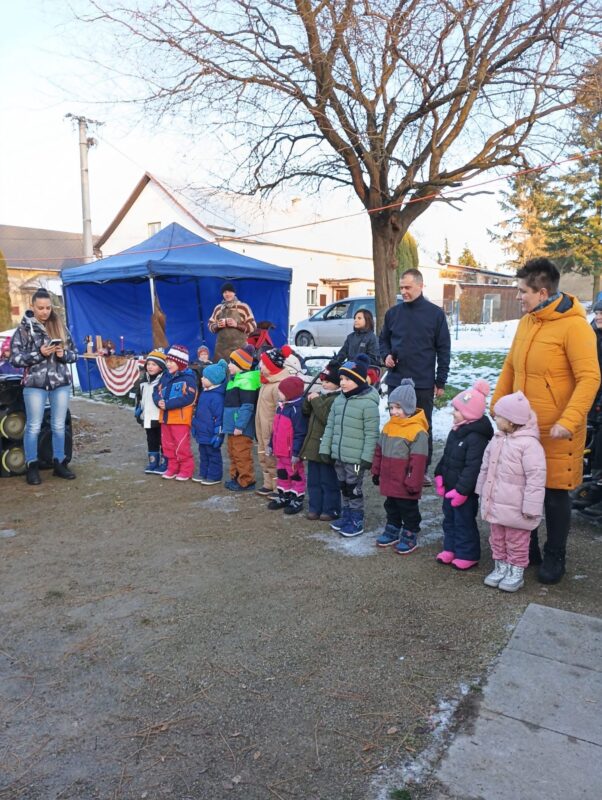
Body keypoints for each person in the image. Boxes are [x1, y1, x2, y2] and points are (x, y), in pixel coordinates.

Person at [491, 258, 600, 584]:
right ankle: (528, 548)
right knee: (523, 490)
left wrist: (569, 420)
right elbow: (511, 367)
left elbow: (590, 378)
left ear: (542, 292)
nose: (518, 297)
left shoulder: (575, 327)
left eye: (522, 291)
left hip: (557, 431)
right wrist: (498, 405)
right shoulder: (527, 322)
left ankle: (555, 554)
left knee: (553, 494)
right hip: (522, 428)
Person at [379, 268, 451, 478]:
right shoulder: (393, 314)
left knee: (421, 427)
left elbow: (443, 349)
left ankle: (421, 470)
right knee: (397, 424)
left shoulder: (435, 314)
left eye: (408, 287)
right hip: (396, 380)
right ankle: (396, 465)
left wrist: (440, 380)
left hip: (422, 382)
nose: (404, 292)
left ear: (420, 285)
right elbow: (383, 340)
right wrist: (386, 356)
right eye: (401, 287)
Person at [476, 391, 546, 593]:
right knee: (497, 538)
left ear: (511, 420)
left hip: (517, 507)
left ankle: (516, 572)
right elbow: (486, 467)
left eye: (498, 416)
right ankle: (501, 567)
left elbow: (536, 478)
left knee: (517, 541)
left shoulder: (529, 445)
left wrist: (532, 507)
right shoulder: (497, 439)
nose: (494, 418)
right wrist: (481, 490)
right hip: (496, 502)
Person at [10, 288, 78, 485]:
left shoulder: (60, 327)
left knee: (59, 425)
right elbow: (15, 359)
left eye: (48, 307)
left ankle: (60, 463)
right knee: (33, 426)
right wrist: (39, 354)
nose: (45, 311)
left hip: (60, 383)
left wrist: (63, 354)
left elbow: (74, 354)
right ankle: (32, 466)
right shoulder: (23, 330)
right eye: (41, 308)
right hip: (35, 384)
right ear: (32, 307)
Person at [434, 379, 493, 570]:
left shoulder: (476, 438)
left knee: (464, 521)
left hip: (464, 492)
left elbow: (473, 468)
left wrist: (462, 491)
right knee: (449, 519)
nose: (453, 413)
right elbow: (447, 456)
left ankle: (467, 553)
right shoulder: (456, 431)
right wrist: (439, 474)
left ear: (469, 413)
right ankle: (451, 548)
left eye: (457, 410)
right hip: (450, 487)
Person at [319, 354, 380, 537]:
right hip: (339, 455)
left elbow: (372, 434)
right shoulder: (339, 400)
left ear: (359, 380)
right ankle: (346, 515)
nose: (343, 383)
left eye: (347, 379)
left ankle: (356, 519)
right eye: (341, 379)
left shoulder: (368, 404)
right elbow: (330, 426)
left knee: (354, 488)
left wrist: (367, 457)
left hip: (356, 459)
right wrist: (325, 448)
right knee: (343, 486)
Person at [372, 378, 429, 554]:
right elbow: (379, 450)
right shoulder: (388, 427)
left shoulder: (417, 431)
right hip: (390, 479)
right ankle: (393, 527)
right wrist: (376, 471)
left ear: (409, 407)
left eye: (398, 407)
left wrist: (413, 481)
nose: (393, 411)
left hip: (405, 481)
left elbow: (418, 461)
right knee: (391, 505)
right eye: (391, 407)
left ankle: (410, 532)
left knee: (408, 508)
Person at [300, 361, 342, 522]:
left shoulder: (337, 399)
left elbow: (325, 417)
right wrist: (308, 399)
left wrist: (316, 400)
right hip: (313, 446)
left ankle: (330, 509)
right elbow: (306, 411)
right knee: (314, 481)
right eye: (323, 381)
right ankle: (314, 507)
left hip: (326, 447)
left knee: (328, 480)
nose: (324, 384)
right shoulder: (321, 395)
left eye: (328, 382)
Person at [153, 345, 198, 481]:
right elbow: (156, 391)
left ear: (181, 363)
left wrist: (168, 404)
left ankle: (186, 469)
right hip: (165, 418)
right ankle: (172, 467)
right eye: (167, 361)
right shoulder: (165, 377)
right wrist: (158, 401)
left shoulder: (188, 378)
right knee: (167, 445)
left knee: (181, 445)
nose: (168, 364)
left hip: (180, 419)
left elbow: (189, 397)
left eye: (171, 362)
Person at [255, 346, 295, 497]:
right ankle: (268, 483)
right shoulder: (266, 382)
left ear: (272, 366)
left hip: (272, 428)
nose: (260, 366)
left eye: (264, 364)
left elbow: (281, 410)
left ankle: (279, 487)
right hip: (262, 426)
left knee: (273, 457)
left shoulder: (279, 385)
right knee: (263, 454)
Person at [266, 375, 308, 515]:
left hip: (291, 453)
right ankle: (284, 495)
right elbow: (275, 430)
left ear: (290, 393)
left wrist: (296, 452)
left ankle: (297, 498)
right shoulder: (281, 407)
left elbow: (300, 433)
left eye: (281, 392)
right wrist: (271, 445)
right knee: (282, 474)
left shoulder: (297, 410)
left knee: (296, 475)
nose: (278, 394)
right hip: (280, 451)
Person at [222, 346, 261, 492]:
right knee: (233, 453)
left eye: (232, 362)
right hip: (232, 427)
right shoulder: (234, 380)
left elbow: (247, 406)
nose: (229, 365)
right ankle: (236, 477)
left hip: (240, 428)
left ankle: (246, 481)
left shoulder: (247, 381)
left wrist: (240, 426)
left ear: (241, 365)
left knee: (242, 454)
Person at [191, 359, 228, 485]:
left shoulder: (217, 397)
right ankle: (204, 473)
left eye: (205, 377)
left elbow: (219, 417)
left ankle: (214, 475)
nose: (202, 379)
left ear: (214, 380)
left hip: (211, 433)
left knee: (213, 455)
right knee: (203, 454)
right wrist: (195, 425)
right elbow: (199, 412)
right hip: (202, 431)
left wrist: (218, 434)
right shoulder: (205, 393)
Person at [133, 349, 167, 474]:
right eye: (148, 364)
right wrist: (138, 409)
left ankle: (165, 462)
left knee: (163, 440)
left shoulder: (164, 381)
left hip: (160, 416)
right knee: (151, 440)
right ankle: (153, 461)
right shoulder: (143, 381)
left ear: (161, 367)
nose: (150, 367)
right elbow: (139, 397)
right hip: (147, 416)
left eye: (154, 364)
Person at [208, 282, 257, 362]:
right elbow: (210, 324)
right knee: (221, 370)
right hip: (221, 351)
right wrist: (217, 326)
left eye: (230, 291)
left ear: (234, 293)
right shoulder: (218, 308)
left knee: (238, 369)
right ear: (222, 294)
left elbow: (253, 326)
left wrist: (236, 325)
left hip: (240, 350)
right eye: (225, 292)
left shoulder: (243, 307)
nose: (227, 294)